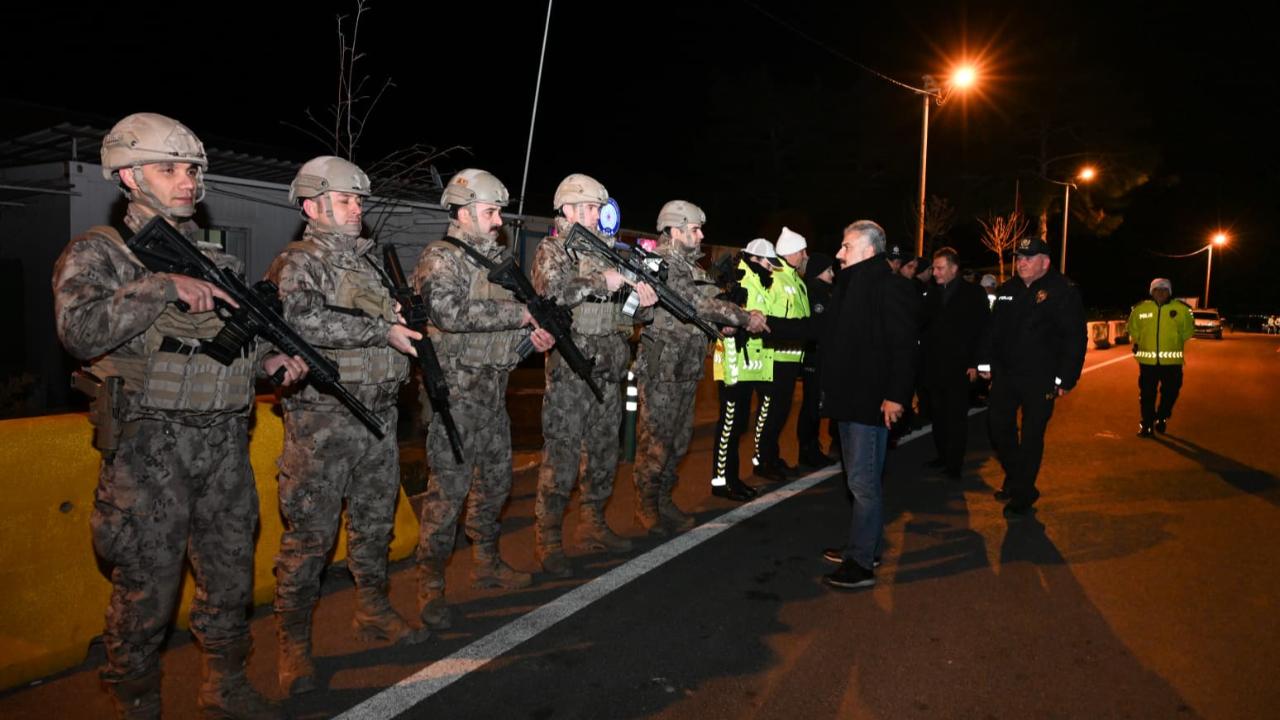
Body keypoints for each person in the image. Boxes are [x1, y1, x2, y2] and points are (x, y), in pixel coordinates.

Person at [52, 112, 307, 719]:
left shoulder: (218, 260)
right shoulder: (100, 253)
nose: (187, 181)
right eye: (169, 169)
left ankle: (225, 685)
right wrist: (159, 287)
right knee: (146, 589)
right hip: (149, 452)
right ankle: (137, 701)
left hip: (223, 446)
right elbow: (78, 332)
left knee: (229, 577)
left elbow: (231, 345)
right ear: (128, 175)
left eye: (191, 169)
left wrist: (269, 360)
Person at [266, 156, 428, 696]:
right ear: (313, 207)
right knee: (310, 539)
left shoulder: (371, 264)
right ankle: (293, 644)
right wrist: (382, 330)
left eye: (359, 200)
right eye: (345, 200)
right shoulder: (298, 262)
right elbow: (301, 320)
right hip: (324, 422)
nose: (357, 208)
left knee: (375, 526)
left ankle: (373, 610)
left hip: (379, 416)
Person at [411, 169, 556, 624]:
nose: (498, 221)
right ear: (463, 212)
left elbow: (500, 338)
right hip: (455, 400)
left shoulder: (497, 262)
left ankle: (486, 564)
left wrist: (529, 341)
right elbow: (448, 313)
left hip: (493, 396)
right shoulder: (441, 257)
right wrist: (519, 315)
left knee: (495, 486)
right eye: (491, 212)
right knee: (447, 495)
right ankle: (429, 587)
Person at [531, 173, 656, 577]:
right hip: (571, 373)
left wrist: (643, 301)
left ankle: (593, 523)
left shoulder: (609, 253)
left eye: (597, 208)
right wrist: (603, 280)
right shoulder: (554, 249)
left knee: (603, 454)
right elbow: (551, 293)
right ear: (567, 210)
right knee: (562, 456)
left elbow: (629, 315)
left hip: (609, 371)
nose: (595, 215)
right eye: (587, 208)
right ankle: (549, 539)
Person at [632, 201, 766, 535]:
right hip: (663, 368)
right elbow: (696, 303)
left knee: (679, 441)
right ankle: (646, 506)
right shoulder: (660, 263)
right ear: (675, 231)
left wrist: (722, 326)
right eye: (695, 229)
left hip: (687, 365)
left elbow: (698, 313)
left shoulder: (692, 268)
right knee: (656, 441)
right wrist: (744, 317)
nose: (702, 235)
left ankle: (664, 500)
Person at [818, 221, 920, 589]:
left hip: (871, 404)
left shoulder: (890, 287)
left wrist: (896, 396)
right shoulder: (850, 286)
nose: (839, 253)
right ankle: (864, 547)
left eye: (846, 246)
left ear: (868, 250)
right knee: (857, 481)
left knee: (863, 483)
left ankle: (861, 563)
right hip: (848, 401)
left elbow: (904, 346)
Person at [976, 231, 1086, 519]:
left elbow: (1075, 338)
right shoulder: (1008, 289)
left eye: (1028, 258)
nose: (1021, 263)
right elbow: (992, 330)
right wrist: (984, 362)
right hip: (1007, 374)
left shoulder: (1063, 291)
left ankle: (1023, 493)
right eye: (1019, 258)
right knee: (997, 426)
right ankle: (1018, 477)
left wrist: (1066, 377)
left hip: (1041, 377)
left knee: (1032, 436)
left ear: (1045, 262)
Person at [710, 239, 781, 501]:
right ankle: (722, 481)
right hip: (733, 364)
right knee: (729, 424)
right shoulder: (738, 281)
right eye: (767, 264)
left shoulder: (759, 283)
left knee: (739, 425)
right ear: (755, 260)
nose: (771, 270)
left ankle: (732, 478)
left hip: (748, 364)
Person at [920, 247, 990, 478]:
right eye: (934, 268)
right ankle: (942, 456)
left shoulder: (974, 294)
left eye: (940, 268)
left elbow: (983, 331)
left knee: (956, 417)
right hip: (934, 367)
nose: (935, 273)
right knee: (938, 415)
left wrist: (976, 364)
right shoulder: (932, 293)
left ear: (954, 268)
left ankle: (954, 464)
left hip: (961, 367)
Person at [753, 226, 811, 481]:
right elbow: (763, 317)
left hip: (791, 358)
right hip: (774, 358)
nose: (805, 255)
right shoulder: (774, 277)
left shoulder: (797, 280)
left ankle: (772, 458)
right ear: (791, 252)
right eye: (802, 251)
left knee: (780, 414)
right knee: (769, 414)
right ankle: (763, 461)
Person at [1127, 278, 1195, 436]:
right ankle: (1147, 424)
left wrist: (1173, 341)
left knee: (1171, 392)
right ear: (1152, 292)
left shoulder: (1182, 310)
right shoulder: (1140, 309)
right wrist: (1141, 341)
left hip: (1172, 362)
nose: (1160, 292)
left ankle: (1162, 416)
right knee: (1147, 394)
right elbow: (1132, 328)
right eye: (1157, 289)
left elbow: (1188, 331)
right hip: (1147, 362)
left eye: (1164, 290)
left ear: (1169, 292)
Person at [796, 252, 839, 468]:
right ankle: (808, 450)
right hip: (815, 356)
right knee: (811, 404)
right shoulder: (815, 292)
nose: (832, 274)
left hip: (821, 355)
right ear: (819, 271)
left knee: (816, 403)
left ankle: (812, 447)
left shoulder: (824, 292)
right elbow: (820, 327)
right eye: (829, 270)